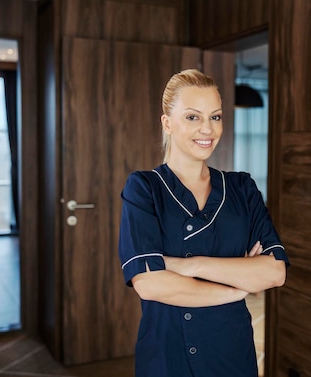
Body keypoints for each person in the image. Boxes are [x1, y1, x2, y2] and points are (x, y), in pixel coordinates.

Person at [119, 69, 289, 377]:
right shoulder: (144, 188)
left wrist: (189, 265)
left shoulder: (242, 189)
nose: (207, 129)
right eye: (193, 117)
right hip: (166, 356)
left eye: (216, 116)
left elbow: (275, 271)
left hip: (231, 352)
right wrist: (236, 288)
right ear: (167, 123)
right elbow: (149, 283)